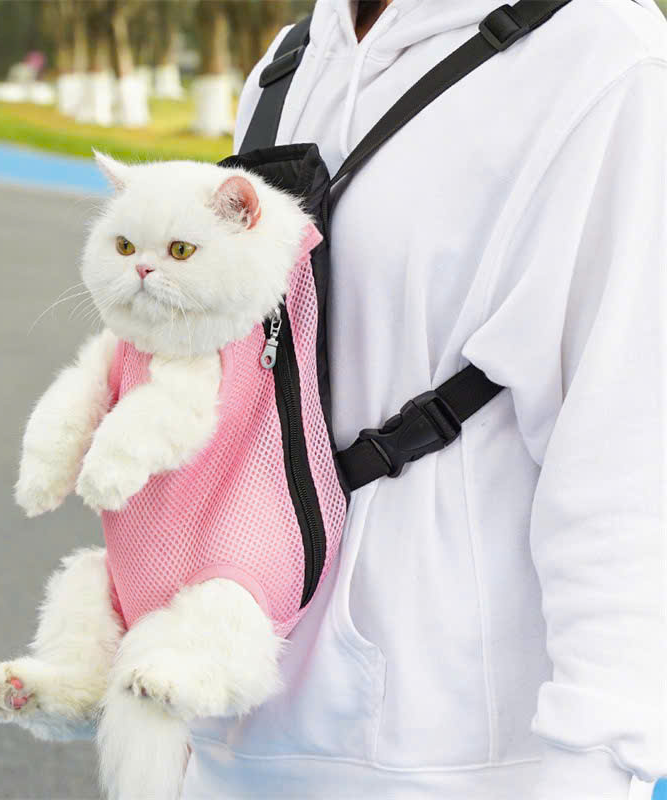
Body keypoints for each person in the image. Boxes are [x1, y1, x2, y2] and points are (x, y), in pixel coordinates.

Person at [182, 1, 667, 798]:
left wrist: (599, 763)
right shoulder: (291, 62)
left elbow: (629, 451)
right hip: (236, 727)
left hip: (450, 756)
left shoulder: (603, 58)